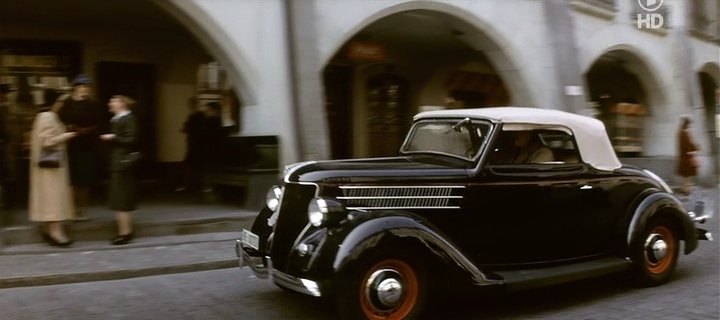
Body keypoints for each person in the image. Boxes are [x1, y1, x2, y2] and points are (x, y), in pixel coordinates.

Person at [28, 90, 77, 247]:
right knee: (53, 198)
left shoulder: (44, 116)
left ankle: (50, 230)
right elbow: (48, 141)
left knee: (50, 198)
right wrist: (66, 136)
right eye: (61, 101)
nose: (62, 104)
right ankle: (56, 232)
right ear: (55, 102)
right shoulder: (48, 117)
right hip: (51, 167)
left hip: (49, 167)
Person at [58, 74, 104, 221]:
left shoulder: (93, 105)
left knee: (85, 180)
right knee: (71, 180)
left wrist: (86, 130)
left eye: (88, 87)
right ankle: (71, 210)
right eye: (83, 86)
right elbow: (58, 119)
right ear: (76, 88)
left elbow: (99, 123)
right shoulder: (67, 104)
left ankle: (82, 209)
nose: (86, 89)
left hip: (87, 146)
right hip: (70, 145)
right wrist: (70, 128)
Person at [101, 95, 139, 245]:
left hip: (123, 162)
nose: (110, 103)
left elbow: (131, 139)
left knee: (121, 197)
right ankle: (125, 230)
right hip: (118, 161)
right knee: (120, 197)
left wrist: (113, 138)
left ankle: (125, 232)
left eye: (113, 101)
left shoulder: (128, 118)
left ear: (122, 104)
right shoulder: (118, 118)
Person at [176, 98, 205, 192]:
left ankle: (188, 185)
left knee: (189, 165)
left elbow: (184, 129)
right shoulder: (201, 116)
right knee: (197, 166)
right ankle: (198, 186)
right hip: (199, 144)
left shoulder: (192, 116)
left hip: (193, 144)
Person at [676, 117, 699, 195]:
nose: (690, 126)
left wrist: (694, 148)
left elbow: (688, 145)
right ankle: (686, 190)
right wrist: (692, 150)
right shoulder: (684, 133)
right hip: (686, 157)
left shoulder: (681, 132)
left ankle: (685, 189)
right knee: (687, 175)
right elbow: (687, 145)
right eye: (689, 124)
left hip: (684, 157)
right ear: (687, 124)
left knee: (686, 175)